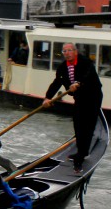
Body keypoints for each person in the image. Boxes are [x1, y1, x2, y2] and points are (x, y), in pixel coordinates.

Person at [43, 42, 103, 172]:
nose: (67, 53)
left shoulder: (85, 62)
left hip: (93, 96)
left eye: (70, 50)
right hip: (80, 98)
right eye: (65, 51)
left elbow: (87, 74)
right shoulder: (62, 67)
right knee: (78, 123)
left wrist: (78, 82)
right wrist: (48, 97)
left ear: (75, 52)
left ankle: (81, 156)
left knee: (87, 125)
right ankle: (82, 151)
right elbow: (57, 82)